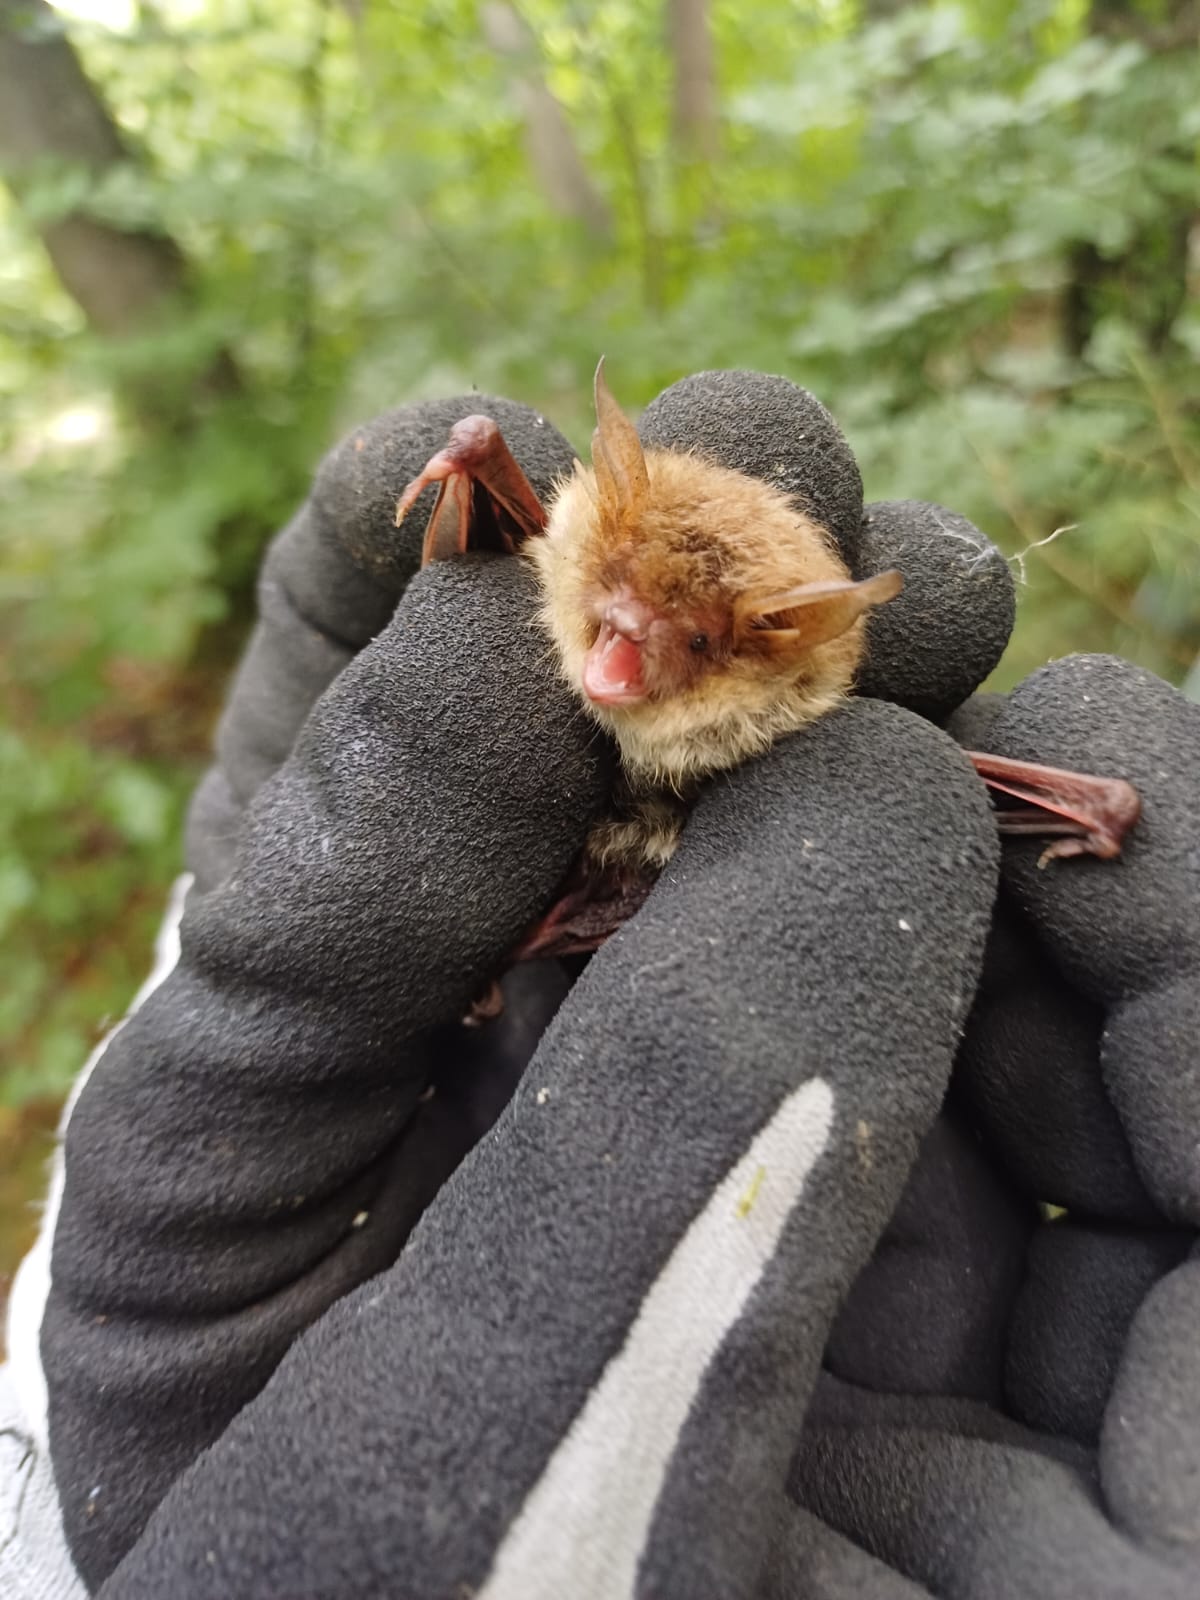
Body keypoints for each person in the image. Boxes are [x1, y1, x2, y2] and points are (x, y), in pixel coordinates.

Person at [3, 374, 1197, 1599]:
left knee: (898, 789)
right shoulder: (563, 546)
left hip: (698, 861)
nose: (621, 660)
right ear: (590, 550)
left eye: (671, 644)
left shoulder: (786, 695)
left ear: (757, 643)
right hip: (548, 884)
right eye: (613, 614)